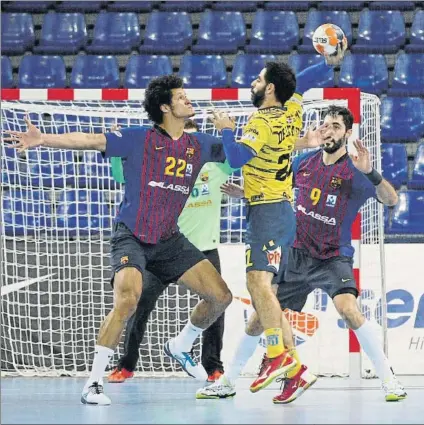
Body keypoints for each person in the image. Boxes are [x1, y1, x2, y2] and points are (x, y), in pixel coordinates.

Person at [3, 75, 234, 406]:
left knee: (221, 297)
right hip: (133, 236)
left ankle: (181, 344)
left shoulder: (200, 145)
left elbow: (245, 154)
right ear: (166, 107)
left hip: (169, 239)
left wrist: (303, 143)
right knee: (128, 300)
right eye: (181, 96)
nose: (188, 100)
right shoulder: (138, 139)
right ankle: (94, 383)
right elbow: (90, 139)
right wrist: (44, 140)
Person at [197, 105, 407, 404]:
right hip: (296, 253)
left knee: (348, 309)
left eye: (336, 125)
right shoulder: (304, 162)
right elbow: (276, 187)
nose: (328, 130)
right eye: (325, 124)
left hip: (333, 256)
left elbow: (391, 200)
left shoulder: (356, 170)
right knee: (259, 318)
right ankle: (229, 381)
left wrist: (371, 173)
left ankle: (390, 380)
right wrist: (244, 192)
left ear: (347, 133)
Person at [207, 43, 347, 393]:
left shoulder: (259, 120)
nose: (253, 83)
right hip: (279, 208)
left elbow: (237, 158)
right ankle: (294, 369)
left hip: (268, 210)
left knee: (258, 285)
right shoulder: (294, 109)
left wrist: (226, 127)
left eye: (258, 79)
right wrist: (328, 64)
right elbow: (303, 84)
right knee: (266, 290)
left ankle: (277, 355)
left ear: (269, 88)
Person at [107, 119, 235, 383]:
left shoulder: (216, 167)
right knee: (138, 306)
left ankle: (213, 367)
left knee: (218, 304)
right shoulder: (161, 169)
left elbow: (246, 155)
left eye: (191, 141)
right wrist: (117, 153)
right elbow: (121, 176)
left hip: (204, 248)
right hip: (164, 246)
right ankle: (126, 365)